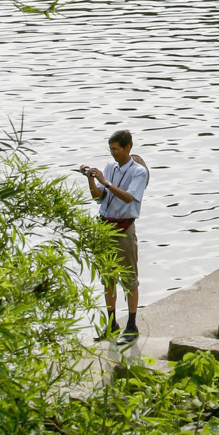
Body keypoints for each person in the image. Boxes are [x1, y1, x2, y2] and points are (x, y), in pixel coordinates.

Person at [82, 129, 150, 337]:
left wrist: (105, 182)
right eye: (110, 149)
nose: (113, 153)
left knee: (129, 277)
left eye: (116, 149)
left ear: (128, 148)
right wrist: (91, 179)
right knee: (108, 278)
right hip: (104, 226)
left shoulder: (138, 171)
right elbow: (99, 198)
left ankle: (131, 324)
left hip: (124, 228)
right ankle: (111, 323)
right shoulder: (110, 167)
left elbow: (129, 197)